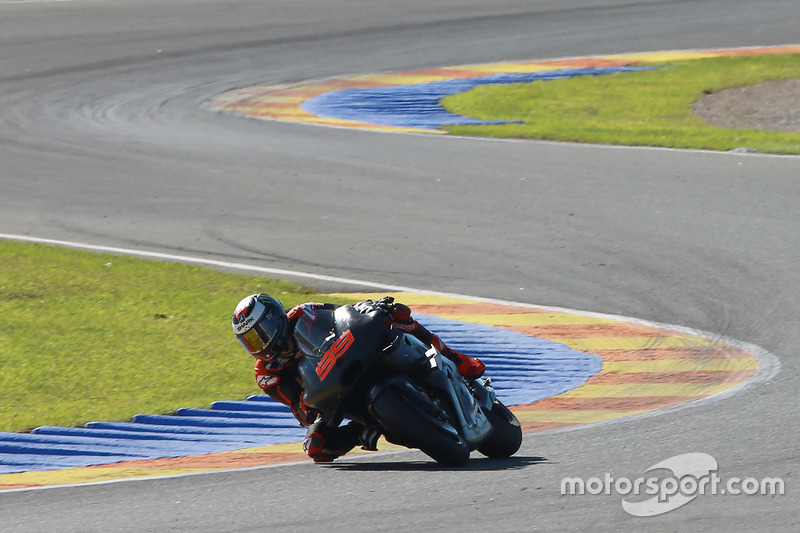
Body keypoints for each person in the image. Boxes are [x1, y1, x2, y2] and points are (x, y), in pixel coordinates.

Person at [231, 293, 485, 462]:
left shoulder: (303, 313)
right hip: (336, 396)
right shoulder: (267, 374)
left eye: (261, 332)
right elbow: (297, 408)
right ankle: (364, 430)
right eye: (251, 340)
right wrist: (304, 407)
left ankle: (454, 358)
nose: (260, 343)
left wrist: (370, 308)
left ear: (276, 319)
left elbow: (342, 315)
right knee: (316, 447)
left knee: (397, 314)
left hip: (355, 355)